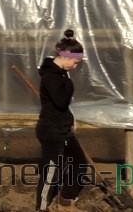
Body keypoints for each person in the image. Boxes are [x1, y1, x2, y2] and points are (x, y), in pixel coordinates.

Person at [35, 29, 88, 210]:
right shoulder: (51, 76)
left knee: (79, 162)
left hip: (62, 128)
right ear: (66, 56)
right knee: (50, 174)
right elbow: (61, 101)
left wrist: (70, 120)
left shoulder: (61, 74)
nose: (75, 66)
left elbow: (63, 106)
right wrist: (69, 84)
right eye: (75, 61)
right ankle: (41, 208)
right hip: (51, 131)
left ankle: (66, 198)